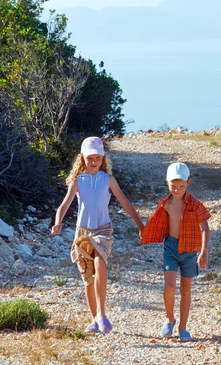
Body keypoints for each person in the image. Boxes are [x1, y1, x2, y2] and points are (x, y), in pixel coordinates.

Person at [51, 136, 144, 334]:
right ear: (82, 158)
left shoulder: (108, 179)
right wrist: (58, 222)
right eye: (90, 158)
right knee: (88, 278)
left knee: (100, 263)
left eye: (98, 158)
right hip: (82, 232)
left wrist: (140, 224)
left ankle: (102, 314)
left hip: (103, 230)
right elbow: (65, 204)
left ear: (103, 159)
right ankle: (94, 319)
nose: (94, 162)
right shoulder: (78, 181)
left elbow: (125, 202)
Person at [141, 162, 211, 342]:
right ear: (167, 182)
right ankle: (170, 319)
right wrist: (145, 231)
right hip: (171, 247)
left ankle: (183, 328)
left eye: (181, 186)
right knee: (170, 286)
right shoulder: (164, 203)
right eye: (173, 186)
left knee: (186, 291)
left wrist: (203, 252)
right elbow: (157, 223)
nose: (177, 189)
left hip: (189, 250)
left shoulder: (195, 205)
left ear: (188, 182)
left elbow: (205, 228)